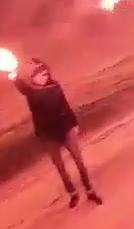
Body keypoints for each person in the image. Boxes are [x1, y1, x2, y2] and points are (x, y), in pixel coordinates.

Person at [13, 59, 102, 207]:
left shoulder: (54, 86)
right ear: (32, 78)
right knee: (60, 167)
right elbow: (19, 84)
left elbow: (65, 106)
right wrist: (14, 75)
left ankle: (90, 190)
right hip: (48, 134)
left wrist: (74, 124)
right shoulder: (30, 92)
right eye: (40, 75)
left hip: (66, 129)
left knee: (79, 162)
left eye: (46, 74)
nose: (44, 77)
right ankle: (73, 193)